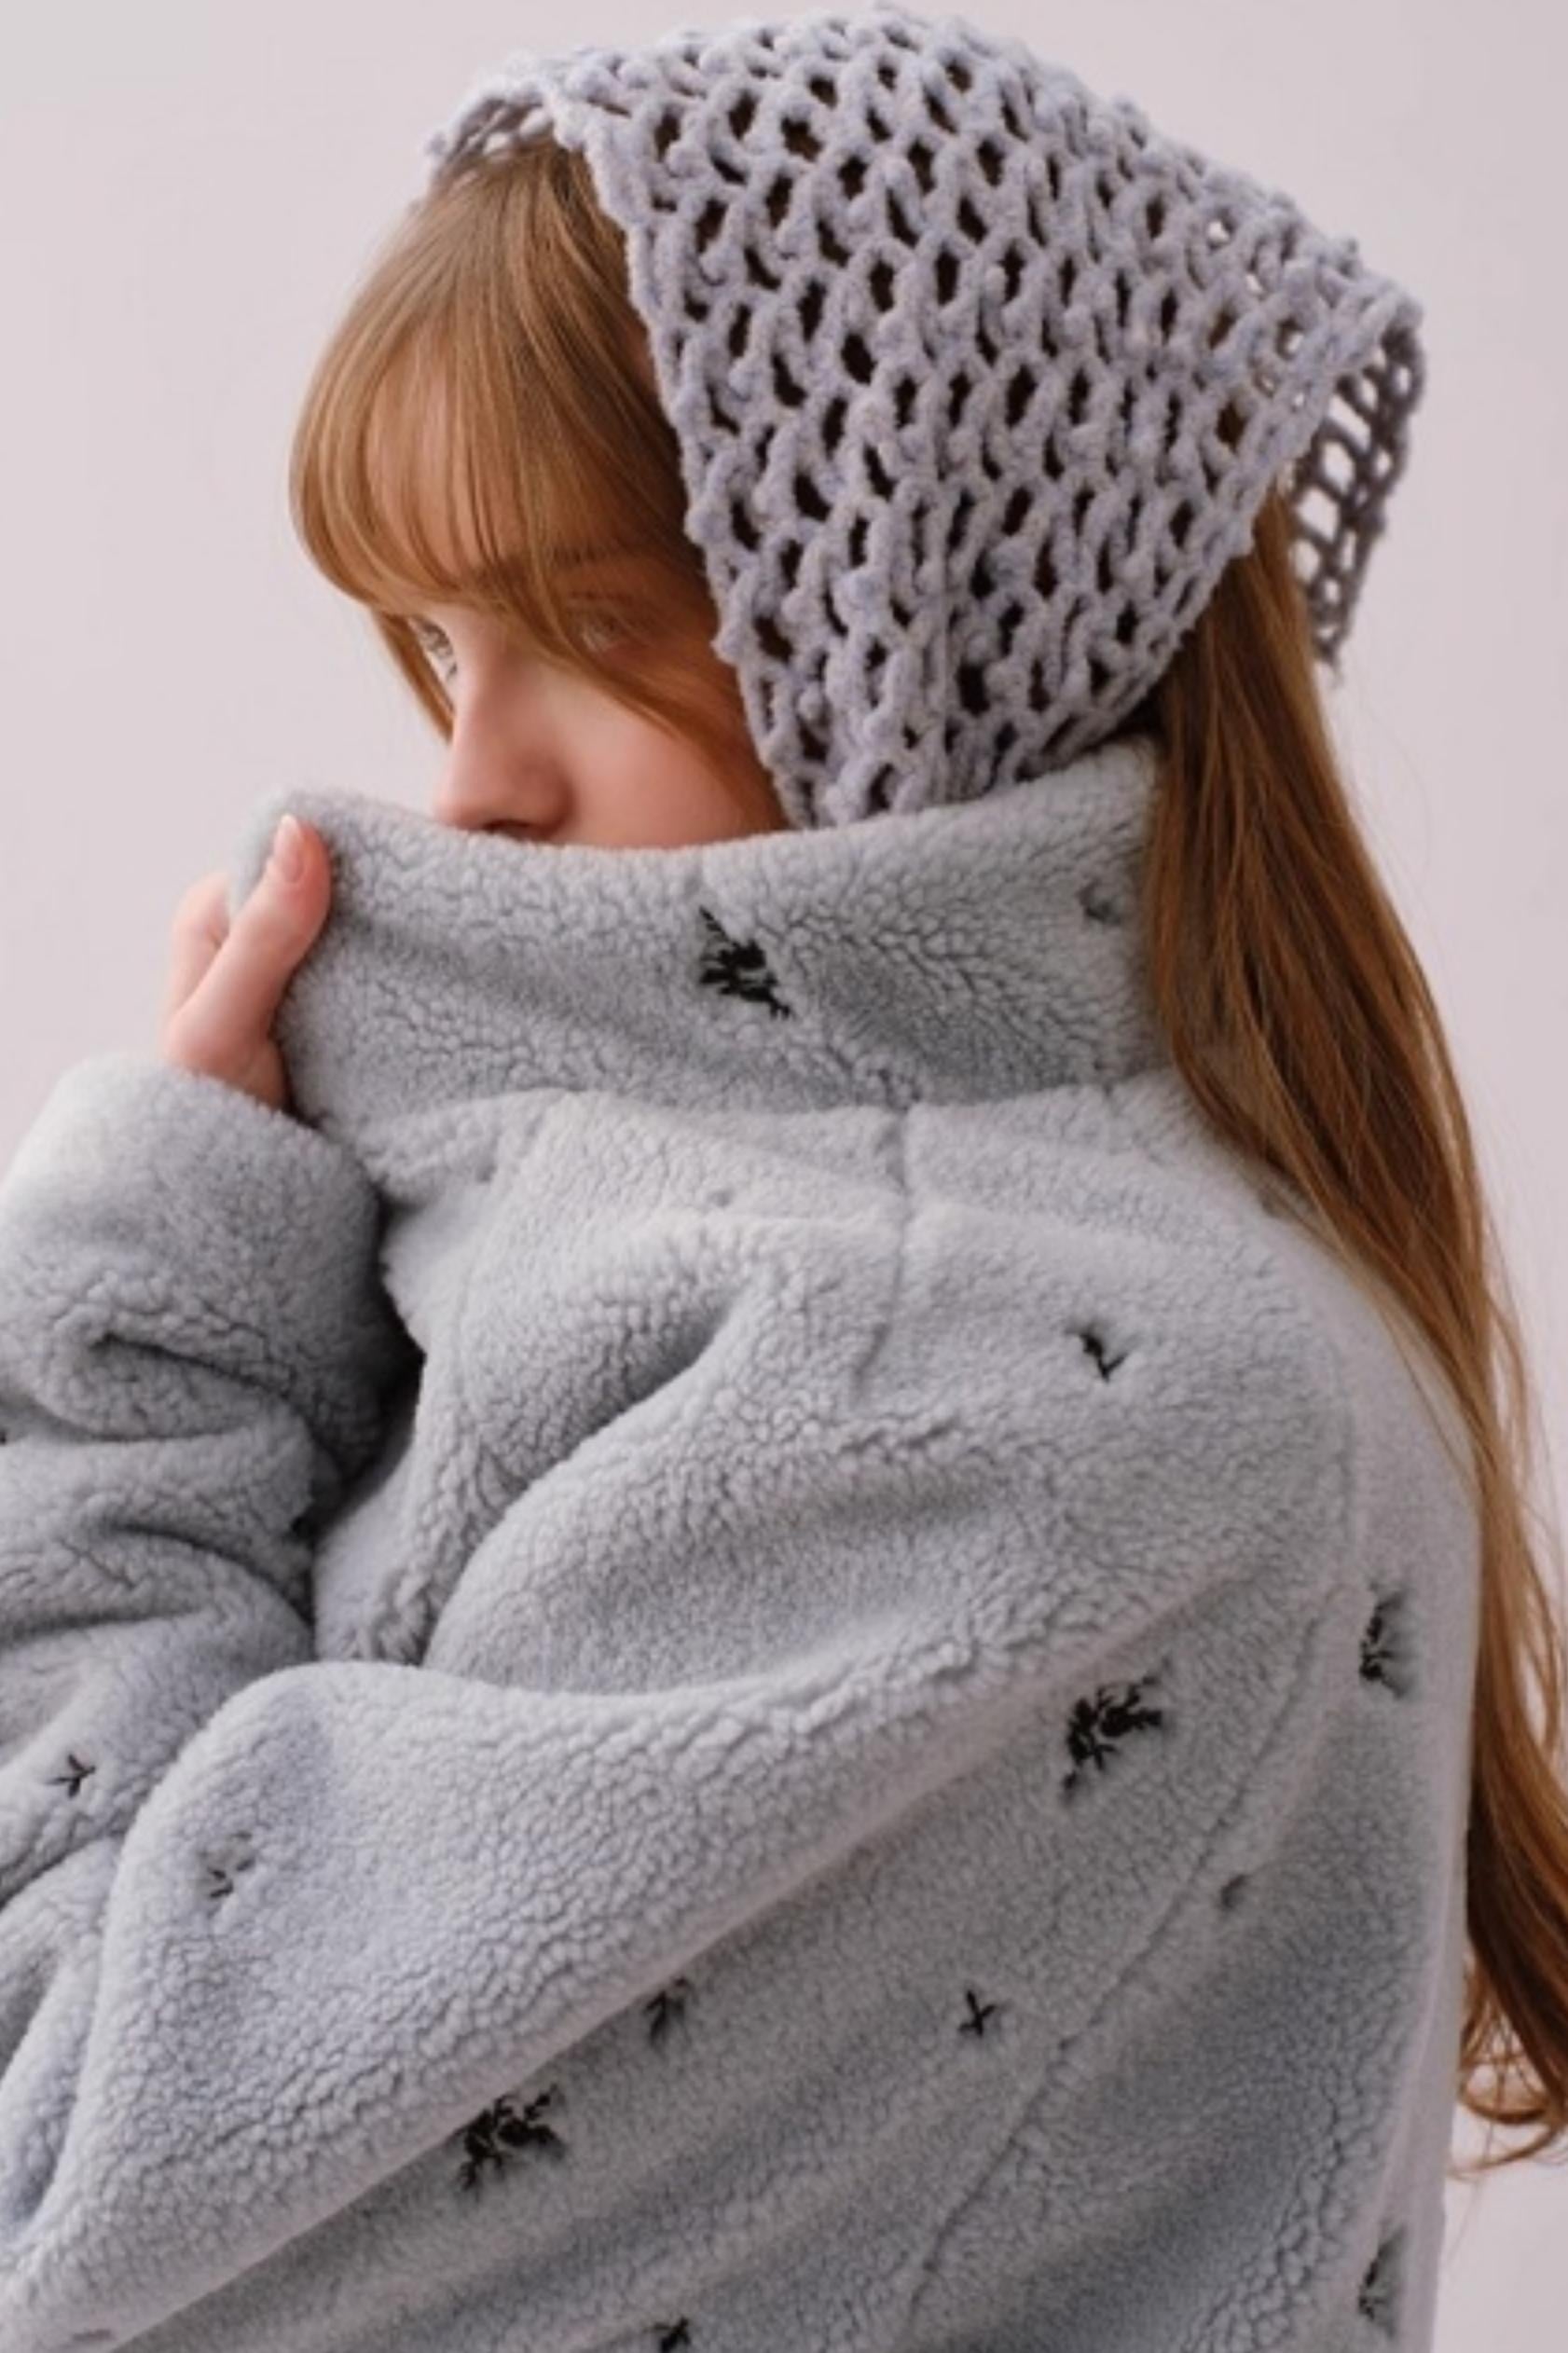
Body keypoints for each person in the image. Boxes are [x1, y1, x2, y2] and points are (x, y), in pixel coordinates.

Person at [1, 7, 1562, 2349]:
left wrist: (152, 1328)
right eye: (437, 641)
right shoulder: (1043, 1291)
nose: (472, 780)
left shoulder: (935, 1379)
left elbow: (57, 2173)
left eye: (596, 626)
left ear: (932, 614)